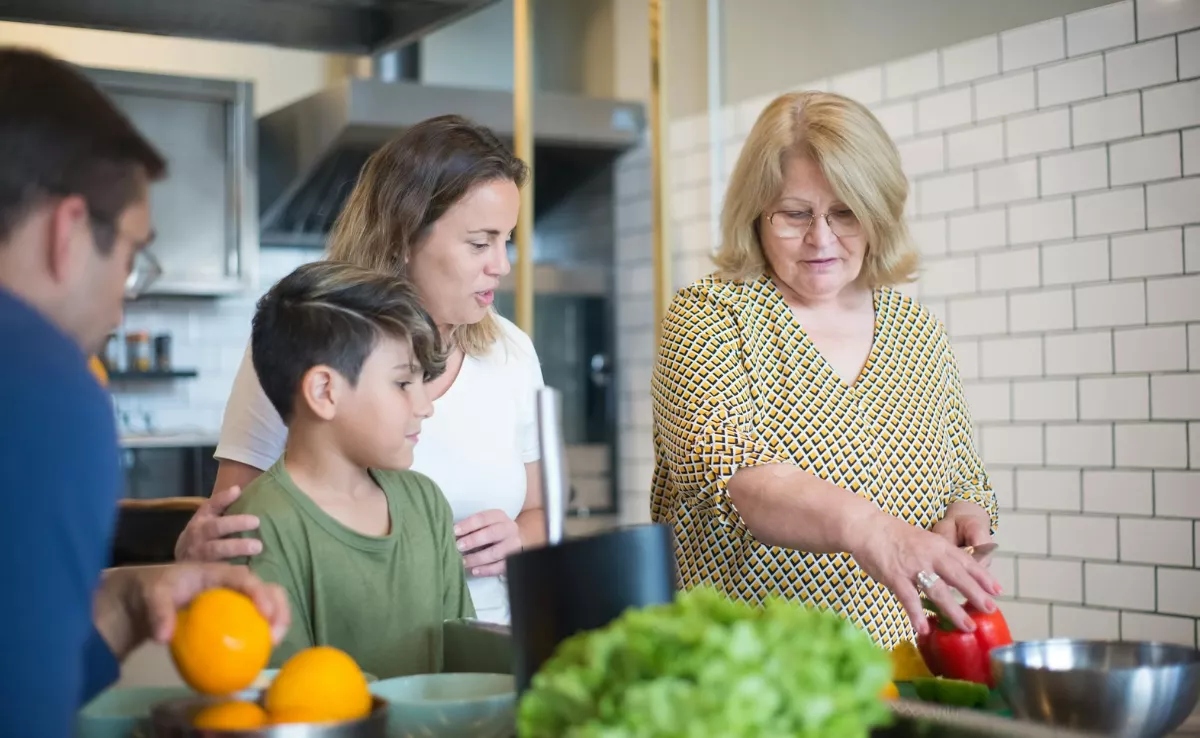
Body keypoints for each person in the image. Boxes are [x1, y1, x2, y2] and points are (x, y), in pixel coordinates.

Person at [0, 47, 289, 737]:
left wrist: (127, 601)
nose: (121, 310)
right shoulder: (42, 383)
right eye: (132, 260)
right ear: (69, 231)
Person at [650, 90, 1002, 651]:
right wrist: (874, 530)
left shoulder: (916, 330)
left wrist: (962, 516)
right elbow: (736, 478)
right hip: (740, 669)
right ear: (755, 215)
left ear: (877, 213)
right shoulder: (709, 319)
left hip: (894, 668)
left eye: (845, 213)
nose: (821, 238)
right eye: (795, 214)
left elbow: (961, 478)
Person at [175, 116, 545, 624]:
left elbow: (543, 514)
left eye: (507, 239)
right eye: (480, 243)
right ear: (402, 236)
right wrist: (195, 550)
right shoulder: (308, 345)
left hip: (492, 642)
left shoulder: (512, 353)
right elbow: (237, 526)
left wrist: (521, 538)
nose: (501, 265)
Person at [224, 260, 474, 678]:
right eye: (402, 383)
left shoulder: (426, 503)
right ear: (324, 391)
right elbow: (290, 697)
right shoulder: (259, 526)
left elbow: (464, 660)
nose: (425, 405)